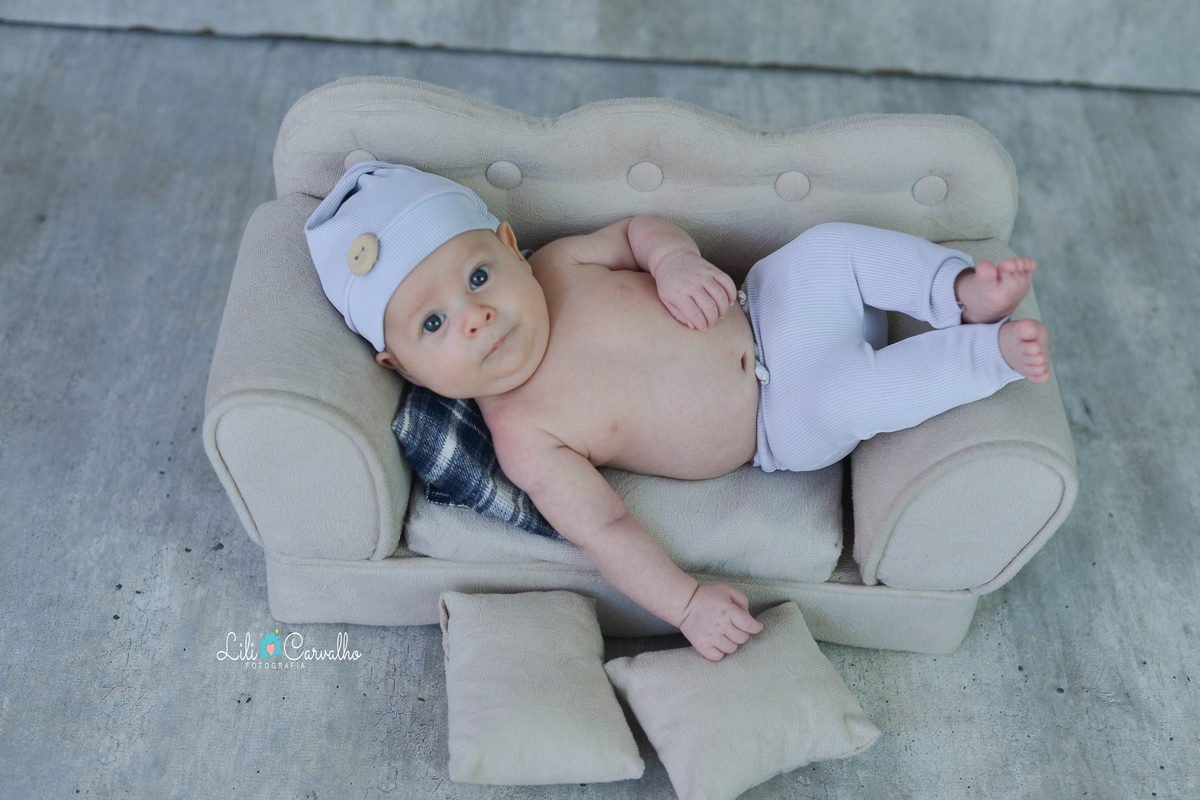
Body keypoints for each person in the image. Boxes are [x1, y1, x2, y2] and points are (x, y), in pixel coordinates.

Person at [306, 162, 1051, 661]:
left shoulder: (559, 263)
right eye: (433, 325)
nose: (475, 318)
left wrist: (674, 262)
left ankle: (957, 293)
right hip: (779, 418)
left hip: (769, 306)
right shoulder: (524, 437)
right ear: (400, 366)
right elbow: (605, 530)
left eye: (477, 276)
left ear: (507, 243)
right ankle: (986, 357)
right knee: (852, 396)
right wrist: (686, 604)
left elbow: (638, 228)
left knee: (828, 248)